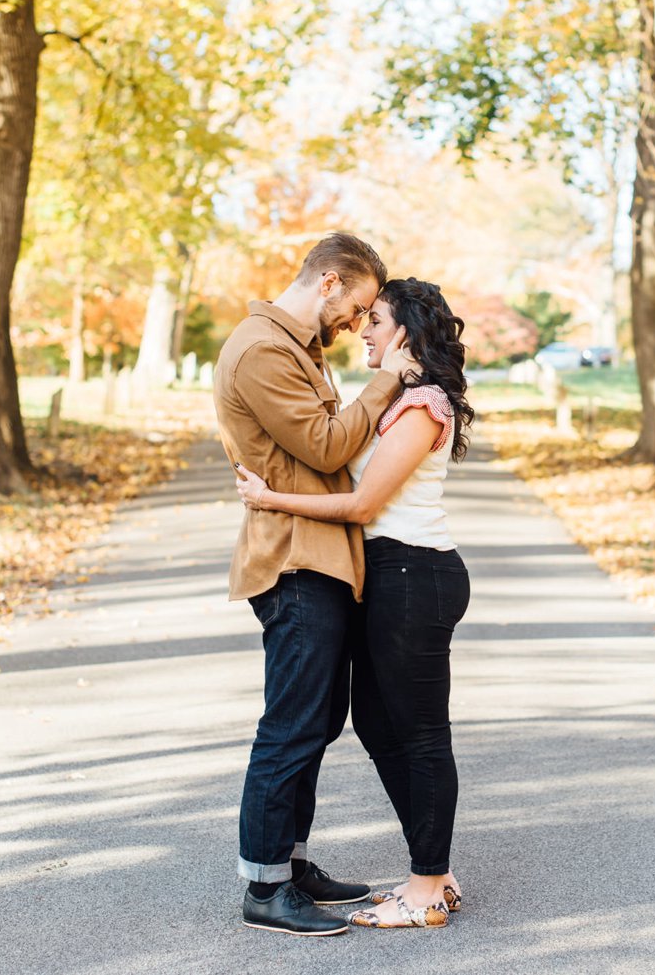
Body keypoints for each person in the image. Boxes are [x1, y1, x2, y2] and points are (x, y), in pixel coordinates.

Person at [236, 277, 475, 930]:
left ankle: (428, 885)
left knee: (421, 735)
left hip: (415, 573)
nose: (364, 329)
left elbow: (365, 503)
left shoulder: (423, 401)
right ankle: (435, 869)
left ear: (403, 331)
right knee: (375, 722)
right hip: (391, 575)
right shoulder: (400, 394)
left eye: (377, 319)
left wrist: (271, 499)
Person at [214, 233, 416, 937]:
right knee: (292, 724)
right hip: (295, 562)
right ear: (330, 281)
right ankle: (265, 888)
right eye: (358, 306)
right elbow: (329, 445)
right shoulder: (265, 348)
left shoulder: (298, 346)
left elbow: (324, 444)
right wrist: (389, 377)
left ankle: (291, 865)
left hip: (322, 557)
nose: (358, 323)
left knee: (317, 722)